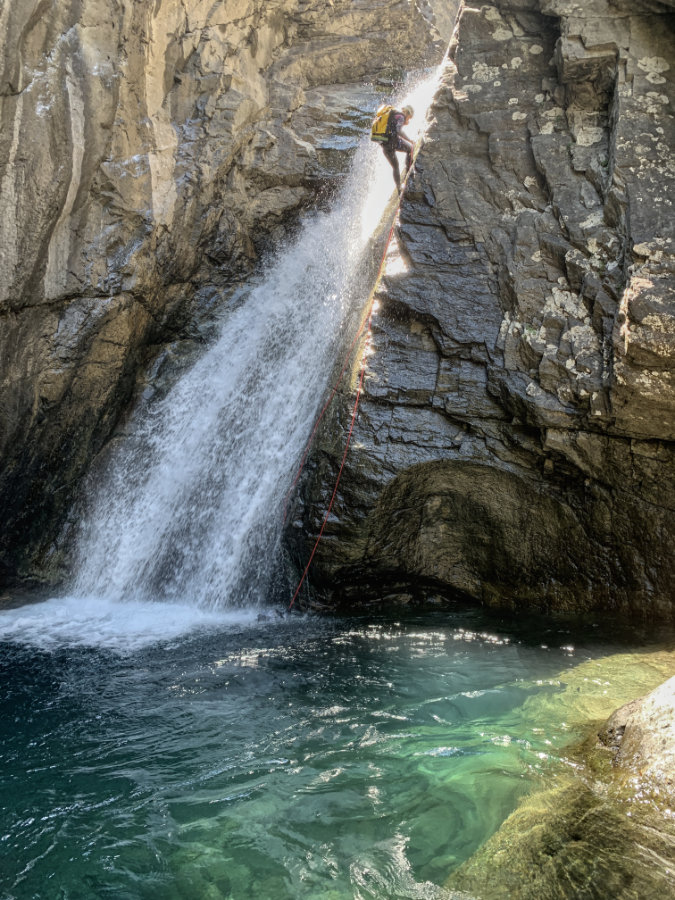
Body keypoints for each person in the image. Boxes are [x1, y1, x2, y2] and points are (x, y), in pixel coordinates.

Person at [382, 105, 414, 194]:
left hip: (385, 145)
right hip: (393, 142)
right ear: (407, 113)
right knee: (410, 148)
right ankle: (408, 171)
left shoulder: (393, 115)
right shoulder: (401, 117)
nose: (408, 119)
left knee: (395, 166)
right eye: (409, 117)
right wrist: (410, 140)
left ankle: (399, 188)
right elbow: (399, 131)